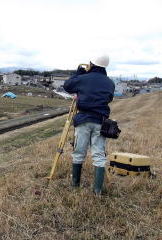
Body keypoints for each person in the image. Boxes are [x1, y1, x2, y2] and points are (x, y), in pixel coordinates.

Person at [63, 54, 115, 194]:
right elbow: (109, 98)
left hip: (83, 120)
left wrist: (78, 73)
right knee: (99, 154)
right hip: (100, 122)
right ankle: (97, 191)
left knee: (79, 152)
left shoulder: (83, 78)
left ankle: (75, 186)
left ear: (92, 63)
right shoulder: (110, 83)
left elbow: (67, 86)